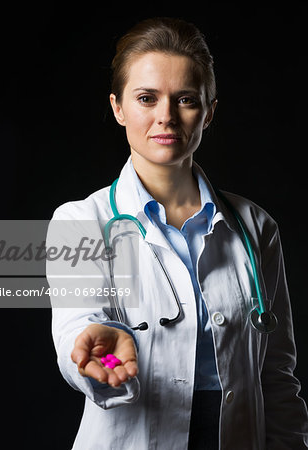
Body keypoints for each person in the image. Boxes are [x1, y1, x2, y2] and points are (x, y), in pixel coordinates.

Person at [47, 17, 308, 449]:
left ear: (209, 112)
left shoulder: (256, 227)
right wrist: (101, 355)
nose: (165, 117)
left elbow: (276, 374)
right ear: (118, 107)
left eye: (185, 99)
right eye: (146, 98)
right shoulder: (80, 221)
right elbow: (79, 327)